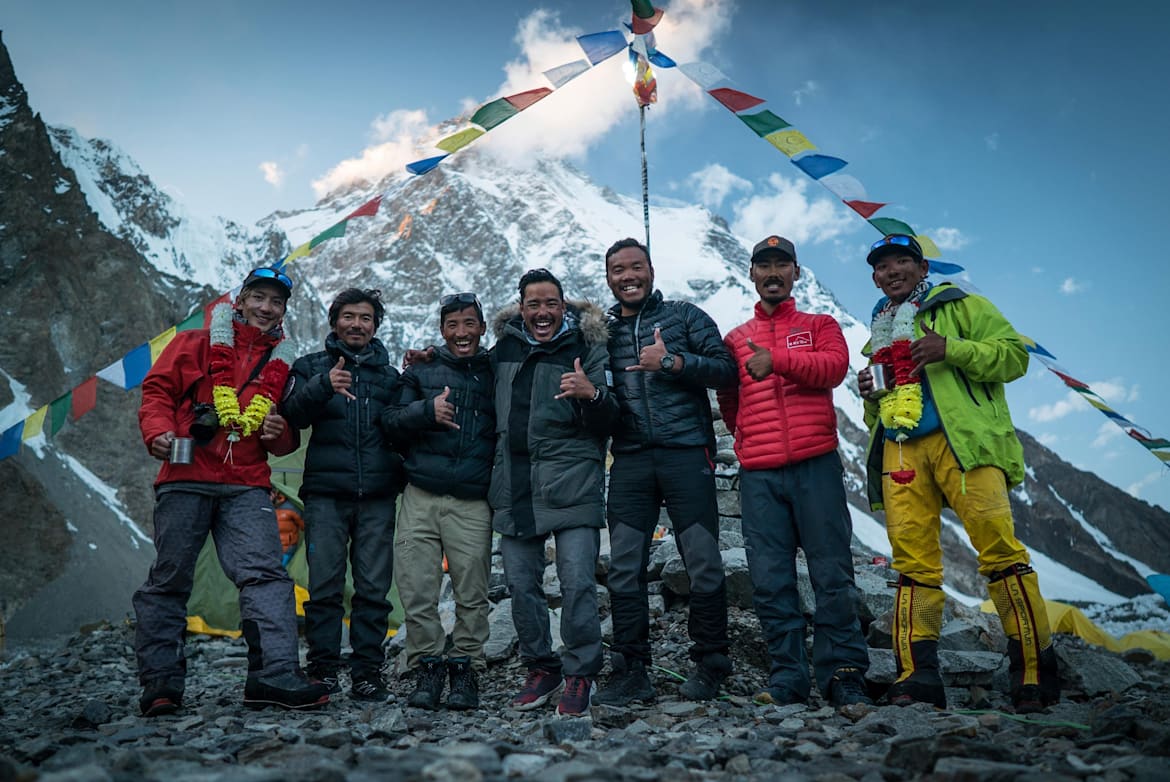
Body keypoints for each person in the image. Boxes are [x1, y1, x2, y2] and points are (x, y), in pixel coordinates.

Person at [858, 234, 1060, 712]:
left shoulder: (962, 306)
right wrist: (869, 394)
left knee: (999, 549)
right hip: (903, 450)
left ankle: (1033, 671)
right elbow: (877, 416)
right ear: (875, 278)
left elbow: (1014, 356)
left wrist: (952, 348)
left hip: (966, 446)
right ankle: (917, 676)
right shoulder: (878, 331)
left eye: (902, 261)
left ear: (922, 268)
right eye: (882, 266)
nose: (892, 271)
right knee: (912, 562)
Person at [134, 265, 330, 715]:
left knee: (266, 575)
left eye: (276, 301)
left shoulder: (285, 363)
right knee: (170, 578)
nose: (266, 308)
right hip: (185, 476)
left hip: (247, 484)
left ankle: (273, 675)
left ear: (284, 311)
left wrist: (279, 432)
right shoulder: (194, 343)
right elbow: (158, 391)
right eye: (258, 297)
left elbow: (284, 438)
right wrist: (158, 432)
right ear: (239, 301)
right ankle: (161, 684)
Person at [716, 235, 873, 709]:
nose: (773, 273)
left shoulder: (820, 325)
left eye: (781, 264)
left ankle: (843, 674)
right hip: (760, 475)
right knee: (770, 579)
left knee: (832, 573)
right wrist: (746, 439)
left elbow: (834, 368)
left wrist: (777, 360)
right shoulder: (734, 339)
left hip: (815, 465)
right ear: (751, 274)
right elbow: (729, 400)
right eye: (763, 265)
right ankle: (788, 678)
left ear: (796, 273)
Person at [592, 238, 737, 706]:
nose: (627, 276)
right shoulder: (602, 333)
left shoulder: (685, 315)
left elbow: (726, 369)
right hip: (630, 458)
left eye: (635, 267)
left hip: (686, 453)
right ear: (608, 278)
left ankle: (711, 663)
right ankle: (631, 670)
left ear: (651, 270)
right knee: (623, 565)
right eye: (618, 270)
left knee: (702, 559)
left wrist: (672, 362)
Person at [490, 268, 619, 716]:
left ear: (564, 307)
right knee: (520, 584)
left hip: (573, 483)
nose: (542, 312)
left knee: (578, 581)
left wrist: (591, 394)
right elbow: (472, 386)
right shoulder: (504, 349)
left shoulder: (587, 346)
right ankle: (541, 668)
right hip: (515, 486)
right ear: (521, 308)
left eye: (551, 304)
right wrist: (428, 360)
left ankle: (581, 673)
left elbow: (612, 416)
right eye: (534, 304)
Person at [283, 288, 403, 702]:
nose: (357, 324)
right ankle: (323, 670)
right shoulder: (310, 367)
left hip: (378, 497)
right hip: (325, 496)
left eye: (366, 318)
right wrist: (323, 385)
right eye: (349, 316)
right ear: (334, 321)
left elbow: (402, 425)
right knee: (325, 587)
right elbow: (292, 415)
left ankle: (368, 672)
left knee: (373, 589)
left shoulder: (390, 377)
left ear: (375, 326)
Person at [382, 292, 496, 711]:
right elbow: (390, 421)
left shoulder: (497, 371)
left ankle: (466, 667)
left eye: (469, 324)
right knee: (416, 587)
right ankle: (427, 665)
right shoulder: (421, 371)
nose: (461, 333)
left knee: (472, 590)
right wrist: (426, 412)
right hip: (421, 493)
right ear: (442, 330)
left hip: (473, 499)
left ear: (482, 328)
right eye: (452, 325)